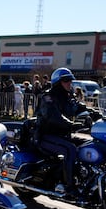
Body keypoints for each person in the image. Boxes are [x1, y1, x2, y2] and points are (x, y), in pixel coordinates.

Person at [35, 67, 88, 196]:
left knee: (87, 144)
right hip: (46, 136)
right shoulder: (48, 97)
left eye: (70, 81)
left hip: (62, 135)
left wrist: (98, 115)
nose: (69, 83)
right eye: (66, 81)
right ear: (58, 83)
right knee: (70, 149)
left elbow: (79, 107)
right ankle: (69, 186)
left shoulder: (68, 96)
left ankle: (84, 178)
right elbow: (54, 116)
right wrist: (72, 125)